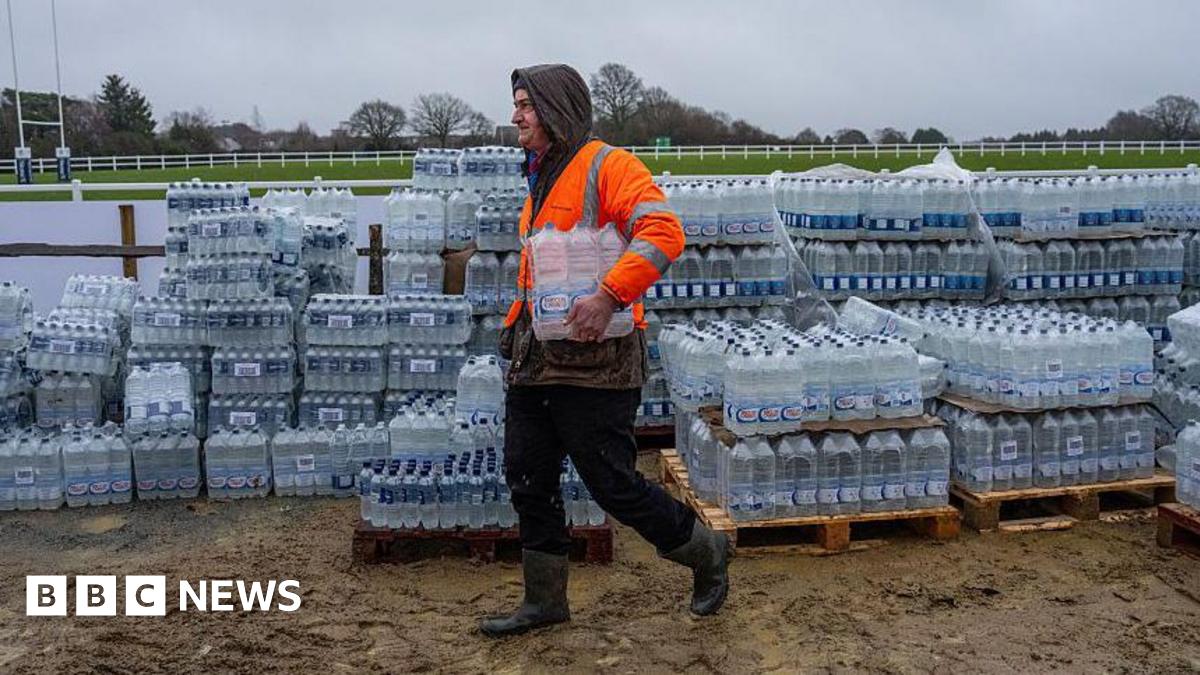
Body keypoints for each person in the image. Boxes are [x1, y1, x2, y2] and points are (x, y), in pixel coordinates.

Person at [479, 63, 730, 638]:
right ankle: (545, 600)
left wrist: (608, 295)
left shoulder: (606, 165)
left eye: (526, 104)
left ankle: (705, 551)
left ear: (558, 108)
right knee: (526, 475)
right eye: (516, 104)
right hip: (538, 357)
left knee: (611, 482)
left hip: (596, 364)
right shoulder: (540, 176)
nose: (516, 115)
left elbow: (663, 230)